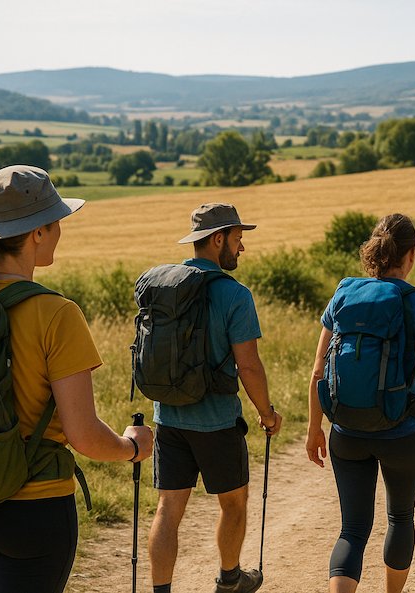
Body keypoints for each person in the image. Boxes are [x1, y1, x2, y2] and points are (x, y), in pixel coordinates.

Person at [0, 165, 154, 593]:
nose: (59, 232)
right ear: (37, 232)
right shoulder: (55, 313)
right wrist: (131, 448)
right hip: (32, 510)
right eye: (56, 222)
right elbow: (84, 435)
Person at [306, 213, 415, 593]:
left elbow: (318, 371)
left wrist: (315, 429)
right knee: (400, 517)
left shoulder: (344, 291)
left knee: (352, 529)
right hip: (402, 433)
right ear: (411, 254)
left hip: (347, 430)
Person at [148, 203, 283, 593]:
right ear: (217, 239)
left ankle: (161, 591)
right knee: (234, 502)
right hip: (217, 421)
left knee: (168, 510)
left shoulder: (164, 284)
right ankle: (229, 581)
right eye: (238, 240)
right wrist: (267, 413)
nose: (241, 249)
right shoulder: (233, 294)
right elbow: (249, 366)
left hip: (169, 418)